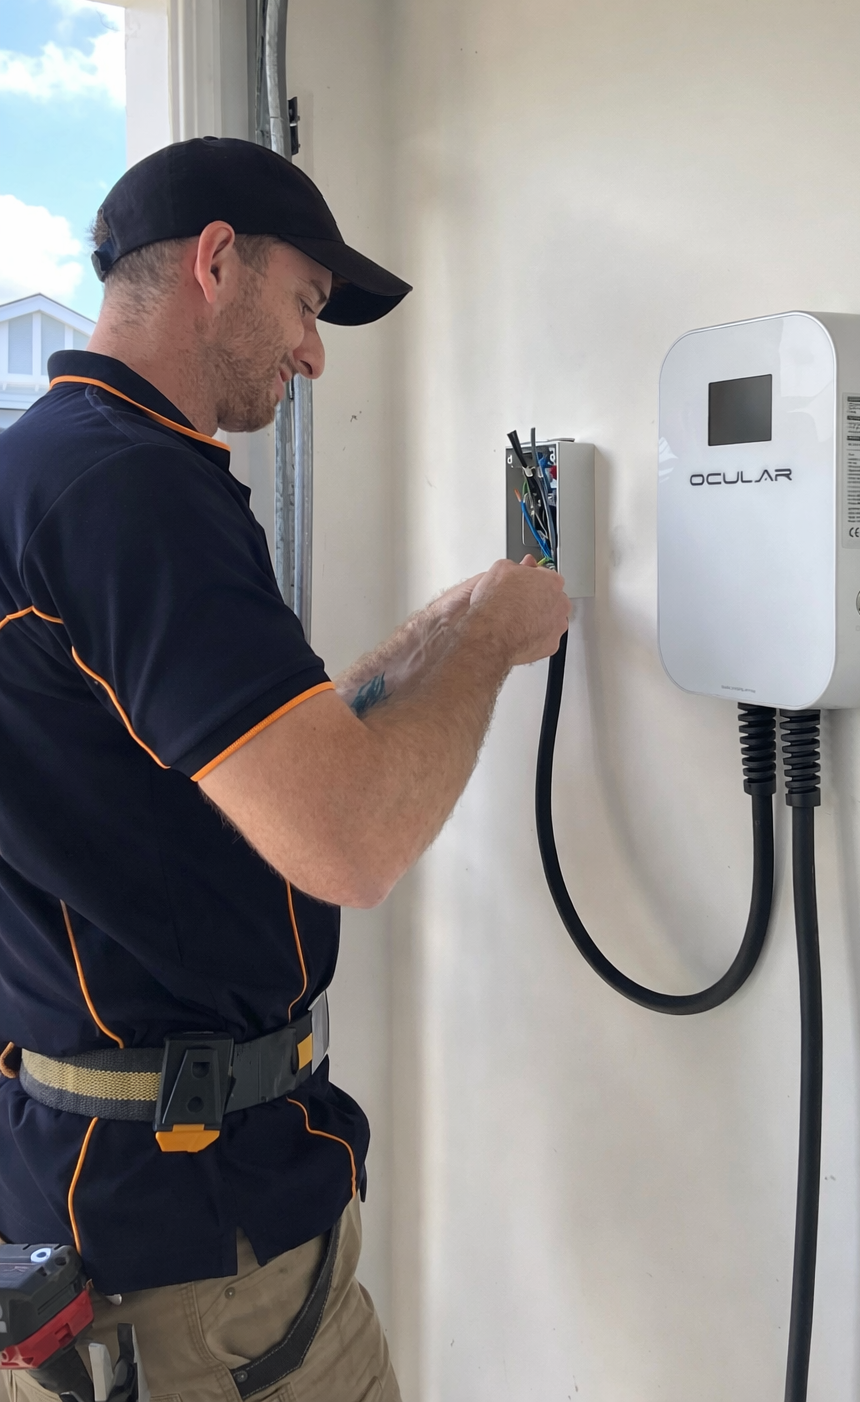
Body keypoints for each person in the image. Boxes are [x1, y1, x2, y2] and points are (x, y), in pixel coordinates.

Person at [0, 138, 569, 1401]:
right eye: (307, 305)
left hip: (96, 1197)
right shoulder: (134, 491)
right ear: (216, 261)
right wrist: (491, 640)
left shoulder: (50, 472)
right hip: (195, 1259)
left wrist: (436, 636)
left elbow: (251, 763)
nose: (314, 354)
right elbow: (351, 842)